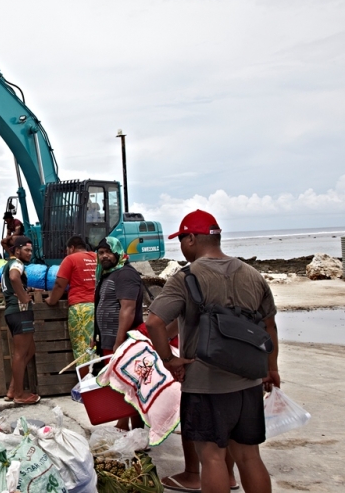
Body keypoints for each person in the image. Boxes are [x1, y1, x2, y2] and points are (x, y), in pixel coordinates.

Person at [146, 210, 279, 493]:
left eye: (181, 239)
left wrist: (169, 360)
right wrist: (272, 369)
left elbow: (154, 321)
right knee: (249, 456)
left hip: (206, 386)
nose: (181, 246)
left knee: (212, 457)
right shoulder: (252, 274)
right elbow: (269, 326)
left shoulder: (187, 277)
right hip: (249, 382)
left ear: (192, 238)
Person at [95, 236, 145, 430]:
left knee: (129, 385)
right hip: (108, 339)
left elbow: (128, 309)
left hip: (122, 342)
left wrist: (120, 340)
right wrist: (96, 336)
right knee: (119, 385)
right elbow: (101, 305)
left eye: (109, 252)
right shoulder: (108, 274)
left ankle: (137, 432)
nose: (105, 256)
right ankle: (123, 425)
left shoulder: (125, 274)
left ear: (118, 252)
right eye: (101, 253)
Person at [45, 236, 96, 376]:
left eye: (67, 250)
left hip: (81, 309)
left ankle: (86, 385)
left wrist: (51, 300)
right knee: (98, 345)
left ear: (72, 247)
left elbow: (60, 284)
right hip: (100, 306)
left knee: (82, 348)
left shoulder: (71, 259)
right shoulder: (97, 257)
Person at [1, 236, 40, 405]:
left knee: (29, 350)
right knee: (20, 353)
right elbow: (14, 278)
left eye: (31, 250)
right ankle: (19, 394)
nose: (30, 254)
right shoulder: (17, 264)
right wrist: (24, 297)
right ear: (17, 250)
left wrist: (26, 290)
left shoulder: (9, 263)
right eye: (27, 250)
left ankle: (12, 390)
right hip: (20, 312)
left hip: (13, 312)